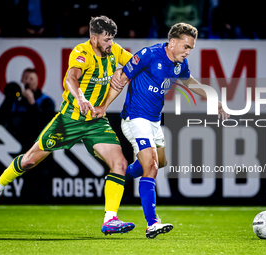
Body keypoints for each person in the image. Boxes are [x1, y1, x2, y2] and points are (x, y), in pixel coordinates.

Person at [0, 16, 135, 236]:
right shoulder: (82, 52)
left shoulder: (115, 51)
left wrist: (138, 70)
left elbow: (136, 64)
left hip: (96, 121)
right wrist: (80, 97)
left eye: (112, 39)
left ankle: (110, 219)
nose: (110, 43)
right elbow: (70, 78)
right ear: (93, 38)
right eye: (106, 39)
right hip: (69, 119)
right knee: (29, 160)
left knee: (119, 163)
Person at [93, 22, 229, 238]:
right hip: (135, 118)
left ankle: (121, 174)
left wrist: (214, 100)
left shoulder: (179, 64)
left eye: (191, 48)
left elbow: (191, 83)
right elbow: (121, 79)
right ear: (172, 42)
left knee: (161, 162)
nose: (188, 52)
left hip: (154, 121)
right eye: (186, 47)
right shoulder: (149, 54)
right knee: (152, 166)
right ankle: (152, 223)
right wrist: (103, 107)